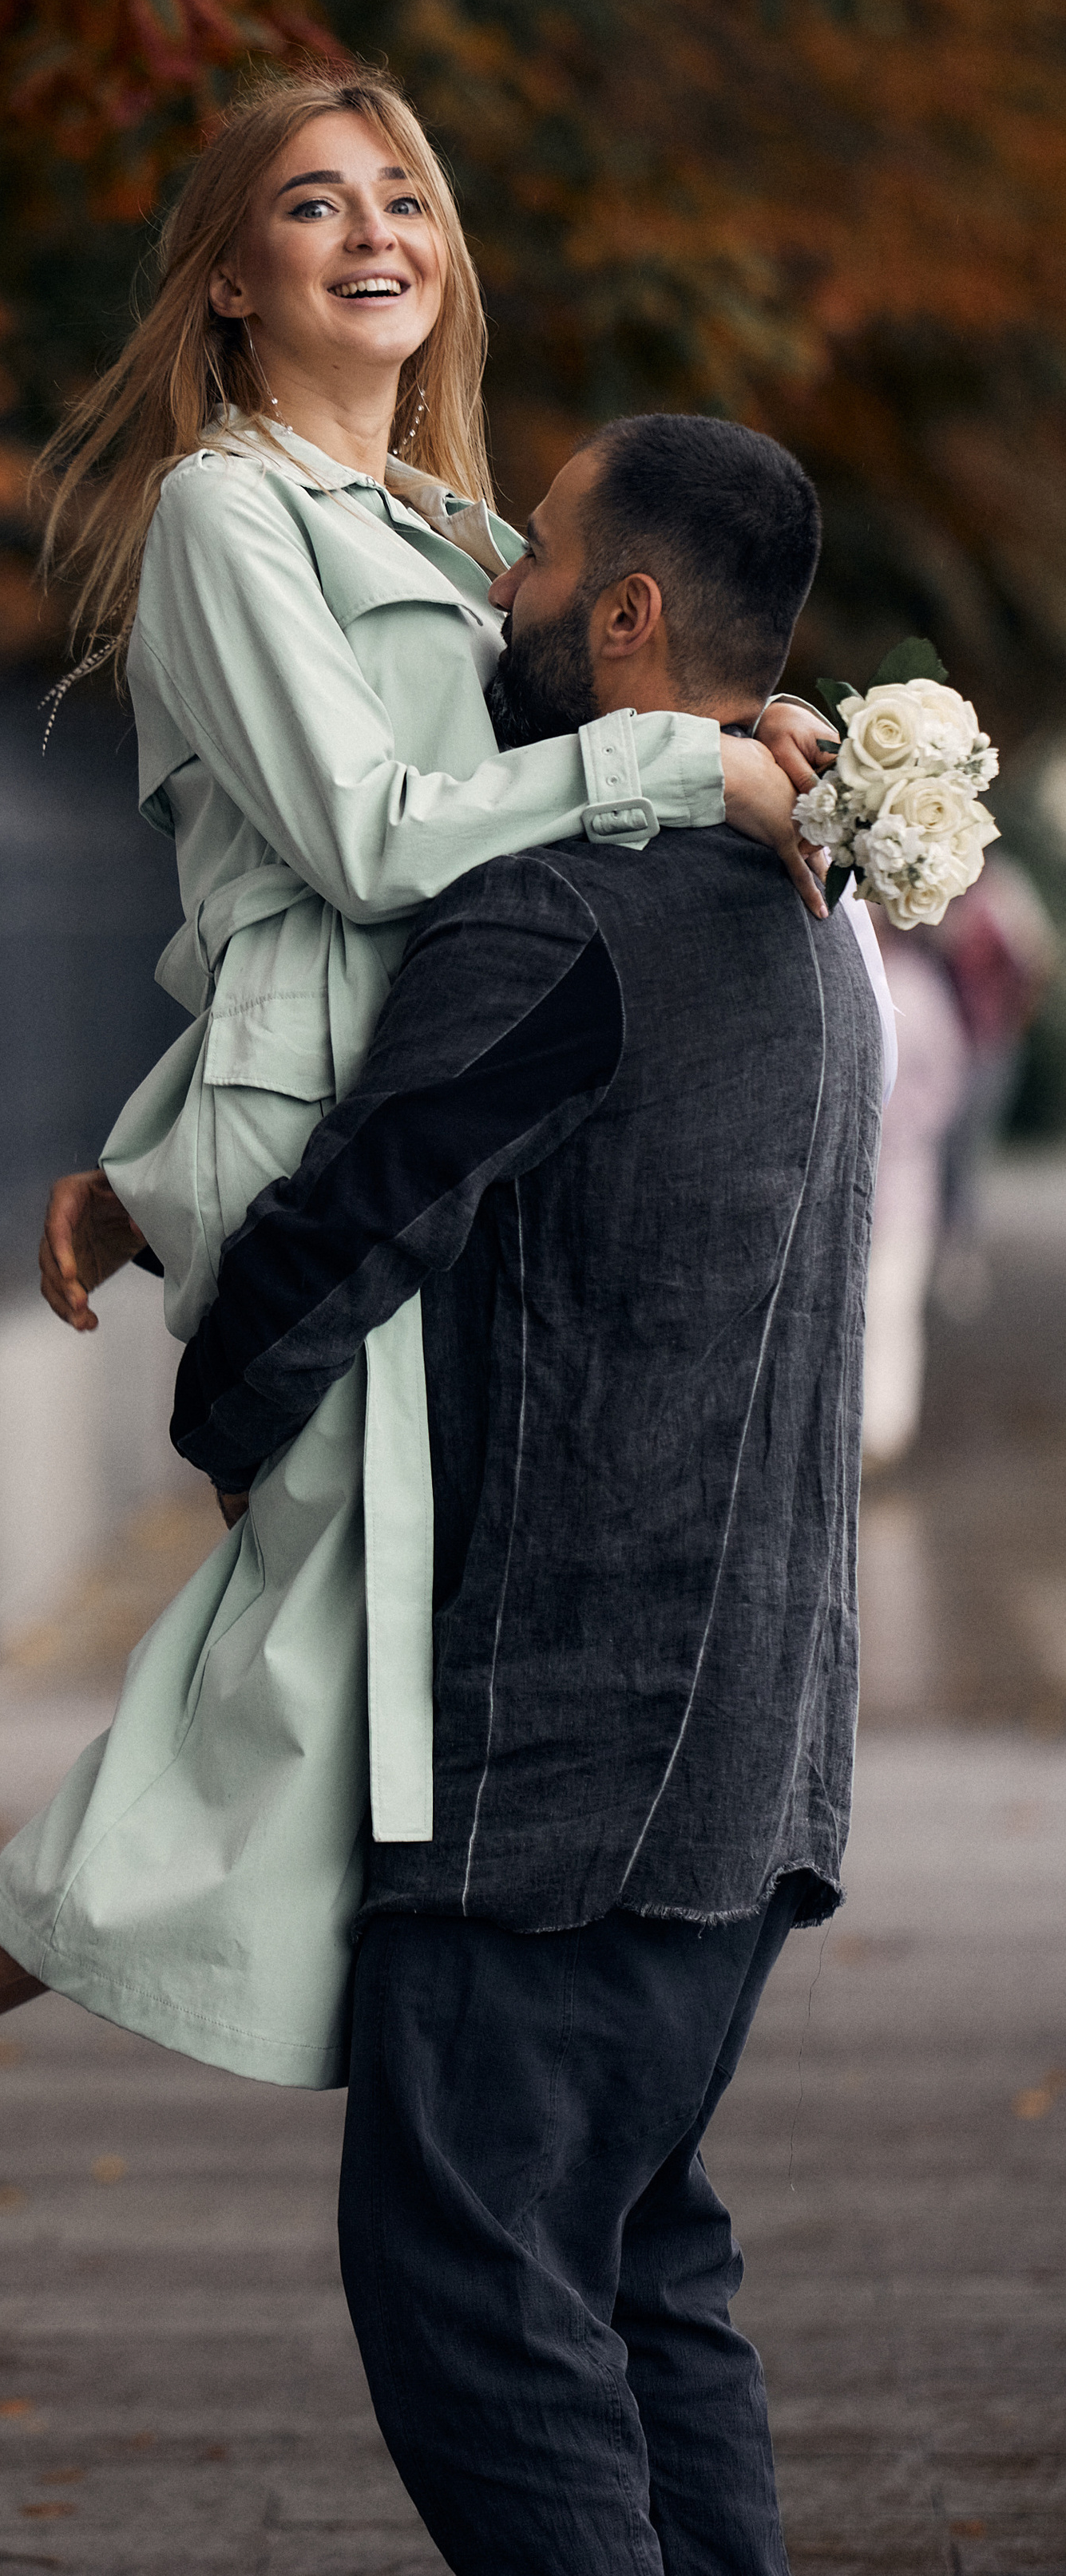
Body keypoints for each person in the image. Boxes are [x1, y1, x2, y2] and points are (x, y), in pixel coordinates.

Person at [0, 64, 837, 2228]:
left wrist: (759, 730)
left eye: (403, 194)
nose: (374, 231)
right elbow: (367, 850)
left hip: (432, 1123)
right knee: (312, 1659)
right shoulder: (228, 519)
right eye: (313, 207)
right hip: (333, 1131)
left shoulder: (453, 530)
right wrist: (680, 772)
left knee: (356, 1665)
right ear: (233, 279)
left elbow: (610, 698)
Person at [167, 414, 880, 2574]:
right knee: (641, 2276)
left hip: (566, 1766)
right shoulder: (803, 908)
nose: (502, 599)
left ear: (630, 619)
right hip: (754, 1756)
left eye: (541, 562)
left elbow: (344, 1227)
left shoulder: (574, 908)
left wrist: (223, 1428)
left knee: (477, 2296)